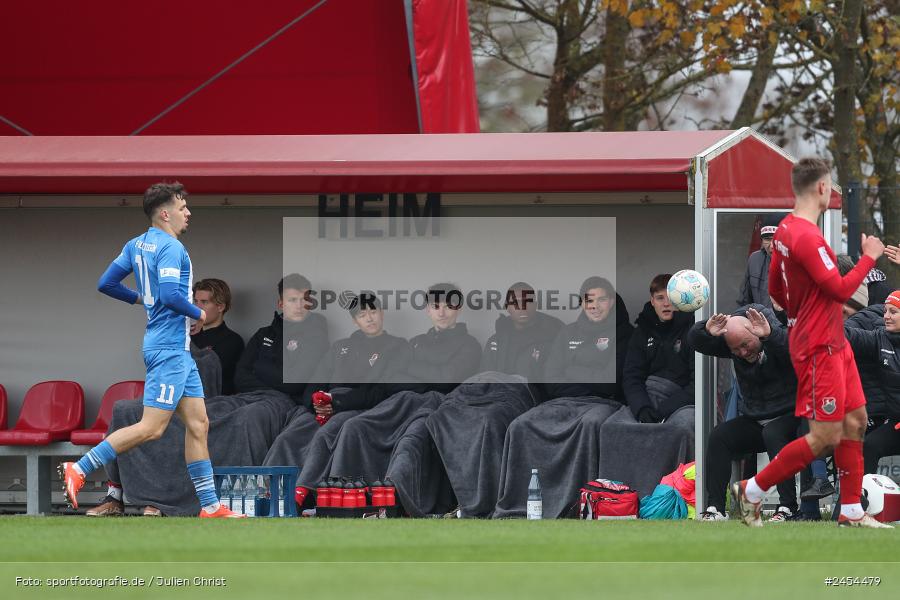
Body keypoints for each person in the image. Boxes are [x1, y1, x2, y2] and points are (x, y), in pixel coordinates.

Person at [62, 182, 242, 518]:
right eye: (182, 206)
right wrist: (199, 313)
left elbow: (107, 283)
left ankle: (210, 507)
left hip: (172, 349)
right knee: (152, 427)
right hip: (169, 348)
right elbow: (174, 296)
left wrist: (140, 298)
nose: (187, 212)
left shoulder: (136, 244)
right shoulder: (172, 247)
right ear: (164, 213)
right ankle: (81, 468)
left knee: (199, 424)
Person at [732, 157, 891, 528]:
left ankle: (851, 510)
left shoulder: (784, 231)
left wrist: (799, 313)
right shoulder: (806, 236)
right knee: (825, 435)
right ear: (821, 188)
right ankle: (753, 490)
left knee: (857, 420)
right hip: (819, 347)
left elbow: (774, 288)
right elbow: (838, 289)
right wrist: (869, 258)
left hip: (832, 341)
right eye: (830, 184)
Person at [493, 276, 633, 519]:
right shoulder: (568, 332)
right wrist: (589, 379)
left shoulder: (625, 333)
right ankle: (518, 505)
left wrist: (573, 373)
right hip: (562, 401)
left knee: (590, 425)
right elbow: (552, 379)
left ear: (611, 302)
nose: (595, 305)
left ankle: (577, 503)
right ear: (581, 303)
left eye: (601, 299)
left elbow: (612, 382)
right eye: (589, 300)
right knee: (520, 425)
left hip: (604, 404)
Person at [688, 306, 803, 522]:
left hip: (792, 417)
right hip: (756, 418)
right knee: (720, 436)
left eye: (746, 345)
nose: (742, 353)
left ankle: (788, 507)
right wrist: (705, 330)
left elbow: (795, 349)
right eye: (735, 350)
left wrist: (770, 335)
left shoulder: (774, 337)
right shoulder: (736, 343)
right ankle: (716, 508)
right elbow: (695, 341)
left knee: (773, 433)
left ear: (756, 333)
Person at [234, 274, 329, 399]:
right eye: (293, 300)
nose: (299, 305)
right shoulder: (263, 334)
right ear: (281, 304)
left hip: (285, 404)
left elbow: (294, 384)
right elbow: (240, 377)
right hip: (247, 397)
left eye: (304, 299)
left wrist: (258, 367)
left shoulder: (316, 335)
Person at [624, 274, 694, 423]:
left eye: (671, 297)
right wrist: (642, 408)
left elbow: (698, 384)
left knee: (683, 425)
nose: (666, 303)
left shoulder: (692, 330)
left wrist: (664, 410)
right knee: (613, 426)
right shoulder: (642, 331)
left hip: (682, 404)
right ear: (652, 301)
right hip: (645, 399)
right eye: (660, 298)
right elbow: (632, 376)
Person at [843, 292, 900, 475]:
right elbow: (850, 335)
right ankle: (858, 501)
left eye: (893, 311)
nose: (886, 316)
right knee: (870, 445)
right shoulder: (880, 338)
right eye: (885, 311)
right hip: (896, 422)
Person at [480, 282, 564, 381]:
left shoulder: (554, 336)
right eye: (516, 302)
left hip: (535, 394)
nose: (523, 307)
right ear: (507, 307)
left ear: (535, 305)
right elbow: (484, 377)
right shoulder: (495, 340)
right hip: (498, 393)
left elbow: (555, 379)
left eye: (528, 302)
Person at [191, 278, 244, 394]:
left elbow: (208, 375)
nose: (197, 307)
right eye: (196, 301)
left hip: (212, 403)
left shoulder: (232, 341)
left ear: (220, 307)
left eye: (204, 302)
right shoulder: (185, 334)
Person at [737, 219, 780, 309]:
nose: (772, 246)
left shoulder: (798, 262)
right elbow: (745, 300)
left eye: (777, 239)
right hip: (760, 321)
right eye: (767, 239)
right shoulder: (755, 259)